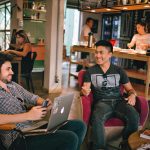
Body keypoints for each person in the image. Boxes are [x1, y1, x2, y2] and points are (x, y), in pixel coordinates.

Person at [0, 53, 87, 150]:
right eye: (8, 69)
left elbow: (33, 97)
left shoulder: (13, 85)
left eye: (11, 68)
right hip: (17, 138)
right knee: (70, 138)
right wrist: (28, 115)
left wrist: (45, 103)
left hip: (31, 128)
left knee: (79, 126)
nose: (12, 72)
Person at [81, 40, 139, 150]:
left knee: (134, 115)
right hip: (102, 103)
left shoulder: (119, 70)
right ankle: (99, 147)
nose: (97, 56)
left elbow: (130, 89)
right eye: (96, 52)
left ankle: (127, 146)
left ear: (110, 54)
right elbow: (85, 88)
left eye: (101, 52)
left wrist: (132, 95)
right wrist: (84, 92)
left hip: (119, 102)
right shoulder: (90, 71)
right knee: (97, 117)